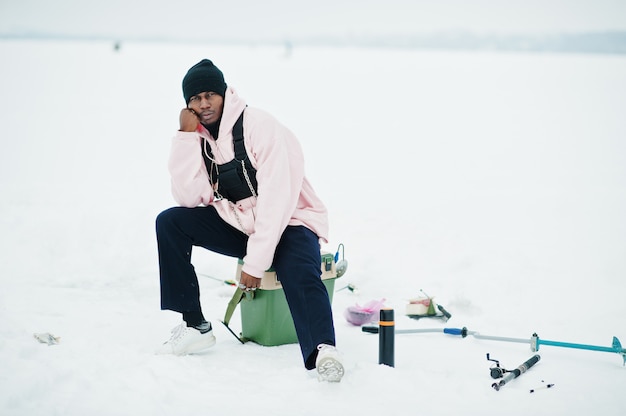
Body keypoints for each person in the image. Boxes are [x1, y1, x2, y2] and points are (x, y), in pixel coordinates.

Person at [155, 59, 344, 382]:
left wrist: (255, 265)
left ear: (225, 94)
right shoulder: (199, 138)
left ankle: (323, 349)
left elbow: (277, 200)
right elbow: (190, 198)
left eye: (210, 95)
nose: (204, 104)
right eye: (195, 98)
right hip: (242, 223)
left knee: (299, 270)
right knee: (170, 222)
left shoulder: (260, 126)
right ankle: (195, 325)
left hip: (291, 220)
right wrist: (185, 137)